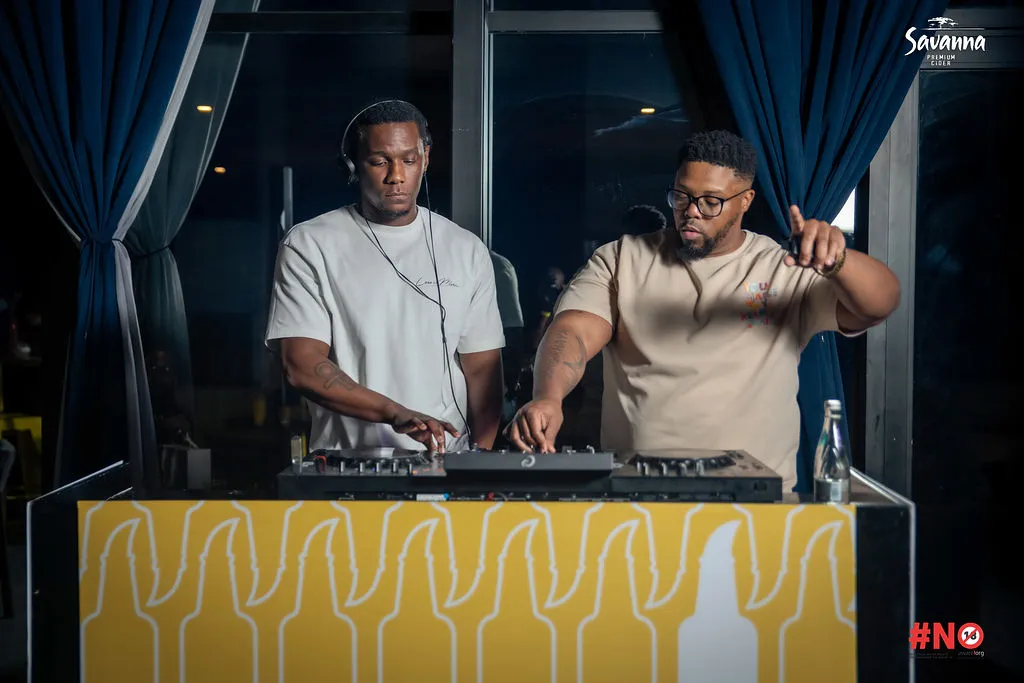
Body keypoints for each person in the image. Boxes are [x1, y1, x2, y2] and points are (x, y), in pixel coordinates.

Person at [503, 129, 900, 491]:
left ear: (745, 201)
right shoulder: (622, 259)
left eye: (711, 202)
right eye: (682, 196)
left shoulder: (782, 268)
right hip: (637, 492)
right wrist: (548, 397)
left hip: (756, 499)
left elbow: (880, 304)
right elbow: (573, 331)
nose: (691, 211)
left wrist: (838, 262)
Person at [266, 100, 505, 453]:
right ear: (353, 165)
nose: (397, 176)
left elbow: (483, 371)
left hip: (447, 466)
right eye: (380, 162)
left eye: (409, 160)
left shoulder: (466, 249)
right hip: (346, 464)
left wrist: (479, 459)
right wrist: (394, 412)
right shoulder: (310, 244)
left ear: (425, 158)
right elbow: (300, 364)